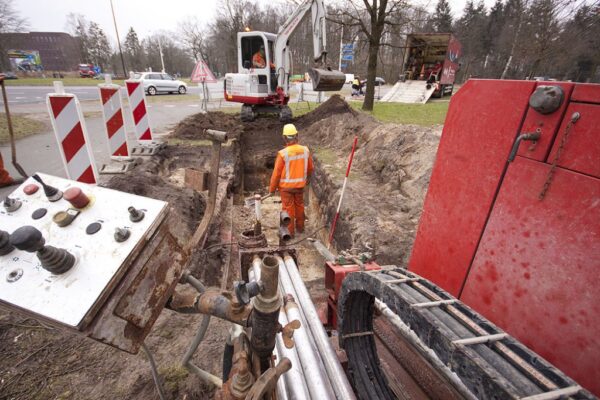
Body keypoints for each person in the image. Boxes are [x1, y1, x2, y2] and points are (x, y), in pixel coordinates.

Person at [269, 124, 314, 237]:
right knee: (299, 206)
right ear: (297, 135)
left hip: (286, 189)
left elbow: (276, 174)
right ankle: (300, 228)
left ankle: (290, 233)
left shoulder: (283, 154)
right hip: (299, 186)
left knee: (288, 210)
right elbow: (310, 168)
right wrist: (307, 179)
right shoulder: (305, 150)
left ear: (284, 137)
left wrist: (272, 189)